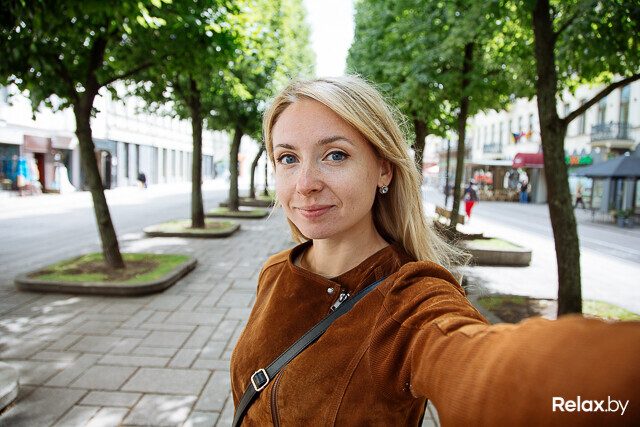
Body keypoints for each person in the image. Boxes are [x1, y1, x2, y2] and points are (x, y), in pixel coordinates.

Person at [230, 76, 640, 426]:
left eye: (335, 155)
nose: (305, 183)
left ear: (384, 169)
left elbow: (482, 367)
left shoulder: (411, 299)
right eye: (288, 158)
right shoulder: (276, 270)